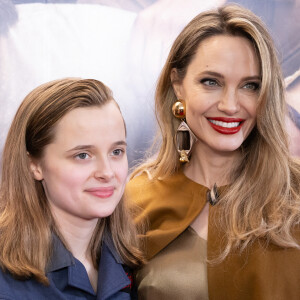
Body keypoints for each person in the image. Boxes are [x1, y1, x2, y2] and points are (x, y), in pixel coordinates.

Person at [126, 4, 300, 300]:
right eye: (211, 82)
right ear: (178, 84)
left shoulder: (295, 193)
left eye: (250, 86)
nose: (231, 105)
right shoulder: (135, 198)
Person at [0, 78, 144, 299]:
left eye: (116, 152)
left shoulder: (132, 261)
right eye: (82, 155)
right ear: (34, 165)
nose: (107, 172)